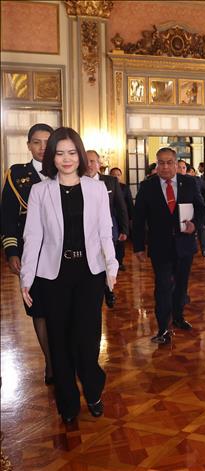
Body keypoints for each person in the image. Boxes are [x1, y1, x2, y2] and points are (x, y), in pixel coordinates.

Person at [20, 127, 118, 423]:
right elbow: (33, 236)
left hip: (89, 275)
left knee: (88, 341)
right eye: (60, 153)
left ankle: (93, 390)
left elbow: (104, 232)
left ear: (80, 154)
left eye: (72, 152)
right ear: (52, 156)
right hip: (53, 276)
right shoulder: (40, 191)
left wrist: (111, 269)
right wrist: (27, 277)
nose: (66, 159)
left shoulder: (96, 188)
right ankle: (68, 404)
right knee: (59, 342)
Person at [132, 147, 205, 344]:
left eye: (169, 162)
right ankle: (163, 328)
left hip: (185, 244)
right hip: (160, 246)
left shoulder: (189, 182)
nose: (165, 166)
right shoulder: (147, 186)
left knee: (181, 286)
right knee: (163, 287)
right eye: (161, 163)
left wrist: (195, 225)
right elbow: (138, 218)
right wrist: (138, 246)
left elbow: (200, 208)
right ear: (157, 165)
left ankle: (179, 317)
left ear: (176, 163)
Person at [1, 123, 54, 384]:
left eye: (48, 142)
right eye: (37, 142)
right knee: (39, 310)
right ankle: (51, 362)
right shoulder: (17, 175)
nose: (43, 147)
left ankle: (64, 357)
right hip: (31, 256)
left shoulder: (66, 170)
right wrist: (12, 251)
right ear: (28, 145)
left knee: (63, 310)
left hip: (63, 255)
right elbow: (8, 217)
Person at [86, 150, 129, 308]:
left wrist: (125, 229)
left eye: (92, 161)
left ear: (99, 164)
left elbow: (120, 206)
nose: (89, 164)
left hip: (108, 227)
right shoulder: (75, 181)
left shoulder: (110, 181)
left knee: (108, 260)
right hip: (86, 231)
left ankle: (109, 290)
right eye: (86, 161)